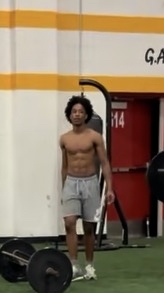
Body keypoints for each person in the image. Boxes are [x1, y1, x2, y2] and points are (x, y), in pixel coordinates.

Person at [59, 95, 115, 280]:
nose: (77, 114)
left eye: (80, 112)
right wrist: (64, 188)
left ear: (86, 115)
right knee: (69, 223)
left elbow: (105, 163)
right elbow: (64, 166)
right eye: (74, 111)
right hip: (71, 183)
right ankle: (74, 265)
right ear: (69, 115)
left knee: (89, 228)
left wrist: (109, 188)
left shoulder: (95, 137)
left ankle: (89, 266)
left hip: (90, 182)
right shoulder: (64, 139)